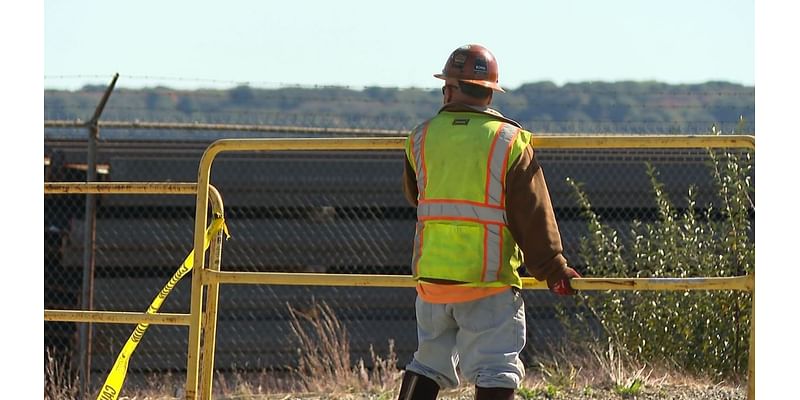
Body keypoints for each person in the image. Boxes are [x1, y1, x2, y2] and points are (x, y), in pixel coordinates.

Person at [397, 44, 581, 400]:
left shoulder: (421, 137)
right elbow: (532, 213)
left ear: (449, 88)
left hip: (432, 279)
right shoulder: (508, 141)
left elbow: (415, 194)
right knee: (496, 367)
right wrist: (554, 269)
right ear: (489, 92)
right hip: (488, 279)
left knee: (428, 362)